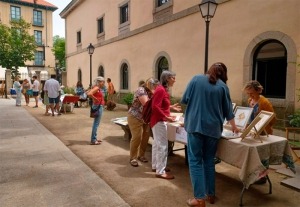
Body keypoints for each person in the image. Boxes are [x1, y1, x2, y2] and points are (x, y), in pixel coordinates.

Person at [181, 63, 239, 207]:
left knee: (195, 162)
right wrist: (234, 127)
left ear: (210, 70)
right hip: (213, 130)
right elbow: (228, 111)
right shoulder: (223, 87)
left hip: (195, 126)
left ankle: (199, 199)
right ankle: (210, 194)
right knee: (208, 161)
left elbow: (184, 99)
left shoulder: (196, 79)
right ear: (223, 74)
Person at [243, 80, 277, 185]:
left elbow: (273, 118)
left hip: (263, 132)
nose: (250, 95)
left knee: (262, 154)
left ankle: (262, 177)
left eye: (252, 93)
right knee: (254, 154)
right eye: (248, 93)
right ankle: (254, 174)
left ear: (258, 90)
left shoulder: (265, 102)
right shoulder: (249, 100)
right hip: (252, 131)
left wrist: (264, 126)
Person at [150, 71, 181, 179]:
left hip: (158, 120)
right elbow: (155, 107)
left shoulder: (161, 89)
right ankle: (160, 171)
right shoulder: (161, 89)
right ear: (167, 78)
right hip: (159, 121)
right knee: (162, 146)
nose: (175, 80)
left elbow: (160, 105)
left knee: (157, 144)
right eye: (173, 78)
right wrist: (167, 116)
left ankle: (156, 166)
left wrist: (171, 107)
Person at [128, 77, 160, 167]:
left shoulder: (151, 92)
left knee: (145, 137)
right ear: (150, 85)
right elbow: (147, 104)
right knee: (137, 137)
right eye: (155, 86)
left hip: (146, 118)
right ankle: (133, 158)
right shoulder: (141, 91)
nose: (156, 88)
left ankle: (141, 155)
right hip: (135, 116)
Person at [87, 76, 105, 145]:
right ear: (99, 82)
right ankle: (93, 140)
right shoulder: (97, 87)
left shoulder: (96, 88)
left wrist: (94, 98)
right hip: (98, 106)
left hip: (97, 105)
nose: (103, 83)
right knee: (96, 123)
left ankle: (95, 138)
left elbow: (88, 93)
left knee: (96, 123)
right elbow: (89, 94)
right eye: (102, 82)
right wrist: (95, 99)